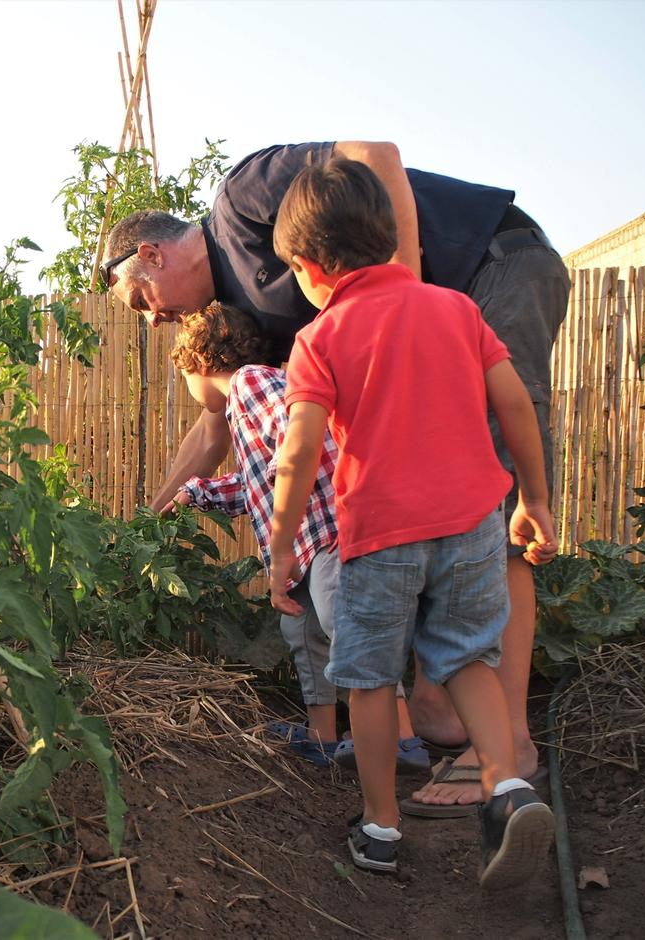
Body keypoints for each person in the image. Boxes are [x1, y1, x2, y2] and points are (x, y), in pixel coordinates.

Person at [104, 141, 568, 811]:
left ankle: (512, 746)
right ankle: (445, 712)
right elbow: (216, 424)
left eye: (139, 300)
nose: (150, 318)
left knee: (489, 499)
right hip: (439, 312)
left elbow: (371, 152)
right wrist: (148, 519)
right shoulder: (255, 319)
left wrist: (398, 294)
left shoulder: (238, 202)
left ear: (150, 254)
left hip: (491, 264)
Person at [266, 156, 555, 888]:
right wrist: (535, 500)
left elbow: (298, 452)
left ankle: (381, 826)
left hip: (380, 535)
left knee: (367, 680)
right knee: (466, 660)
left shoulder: (320, 339)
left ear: (308, 267)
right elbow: (515, 404)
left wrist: (279, 551)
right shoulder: (456, 309)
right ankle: (508, 787)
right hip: (471, 525)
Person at [164, 302, 429, 772]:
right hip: (303, 547)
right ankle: (323, 736)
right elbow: (258, 483)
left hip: (330, 531)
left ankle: (402, 737)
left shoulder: (248, 382)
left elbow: (296, 445)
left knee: (345, 628)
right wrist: (196, 492)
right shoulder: (249, 404)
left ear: (200, 363)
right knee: (304, 634)